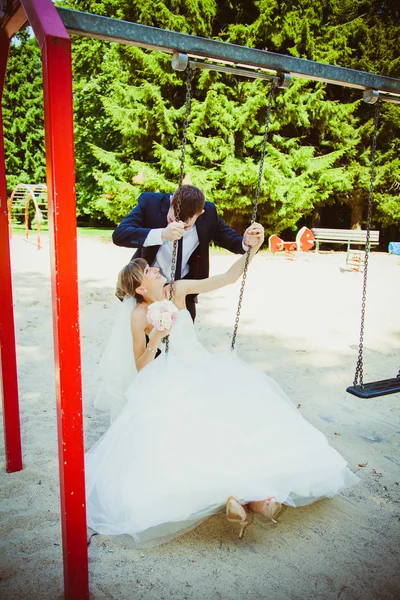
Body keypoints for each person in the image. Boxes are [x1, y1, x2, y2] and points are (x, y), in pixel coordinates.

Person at [86, 236, 359, 546]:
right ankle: (240, 499)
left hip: (202, 365)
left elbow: (228, 278)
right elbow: (140, 365)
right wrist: (155, 339)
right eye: (148, 270)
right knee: (196, 435)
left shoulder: (178, 289)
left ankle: (251, 500)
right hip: (171, 374)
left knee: (236, 422)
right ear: (139, 288)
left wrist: (251, 250)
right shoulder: (138, 315)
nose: (155, 269)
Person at [112, 185, 264, 320]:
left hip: (184, 288)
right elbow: (119, 235)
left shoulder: (209, 214)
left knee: (183, 330)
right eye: (172, 219)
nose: (179, 226)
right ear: (170, 201)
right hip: (148, 286)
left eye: (186, 226)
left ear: (200, 213)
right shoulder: (150, 203)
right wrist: (162, 234)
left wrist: (247, 242)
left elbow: (232, 241)